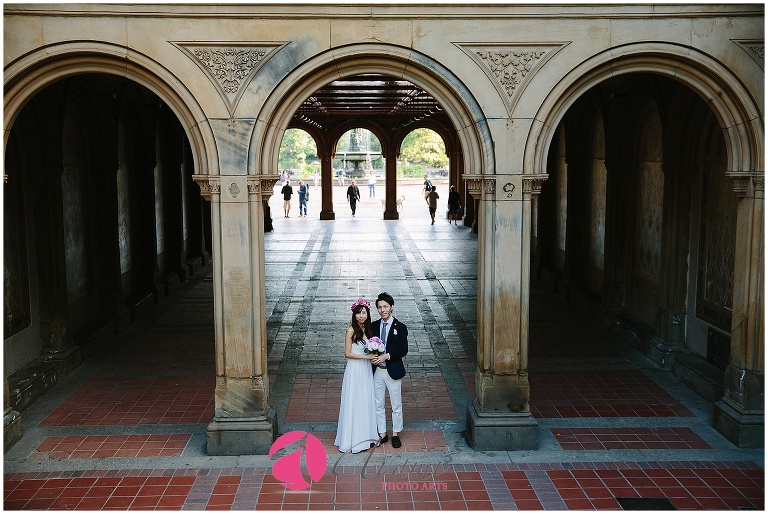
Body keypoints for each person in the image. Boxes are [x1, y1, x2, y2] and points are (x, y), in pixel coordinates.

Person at [334, 298, 379, 454]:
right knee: (354, 400)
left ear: (368, 314)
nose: (361, 316)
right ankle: (352, 439)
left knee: (365, 400)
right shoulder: (351, 330)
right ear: (354, 315)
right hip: (355, 369)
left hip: (365, 369)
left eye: (364, 313)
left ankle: (366, 436)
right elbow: (347, 354)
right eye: (358, 313)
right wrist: (368, 357)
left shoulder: (368, 329)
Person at [370, 292, 408, 449]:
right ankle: (382, 433)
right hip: (377, 370)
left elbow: (403, 350)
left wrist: (387, 356)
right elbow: (368, 345)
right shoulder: (373, 326)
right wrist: (372, 355)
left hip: (393, 369)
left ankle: (396, 433)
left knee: (396, 404)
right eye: (379, 307)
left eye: (385, 306)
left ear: (392, 307)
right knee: (378, 402)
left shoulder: (400, 327)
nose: (382, 310)